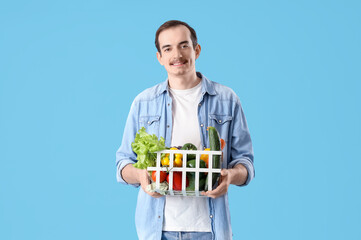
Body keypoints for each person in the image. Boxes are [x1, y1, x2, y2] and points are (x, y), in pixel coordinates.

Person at [116, 20, 255, 240]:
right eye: (167, 48)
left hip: (211, 230)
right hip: (158, 230)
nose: (177, 55)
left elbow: (245, 163)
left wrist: (230, 176)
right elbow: (123, 164)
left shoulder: (227, 100)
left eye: (184, 45)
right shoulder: (143, 103)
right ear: (159, 57)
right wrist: (141, 176)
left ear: (196, 50)